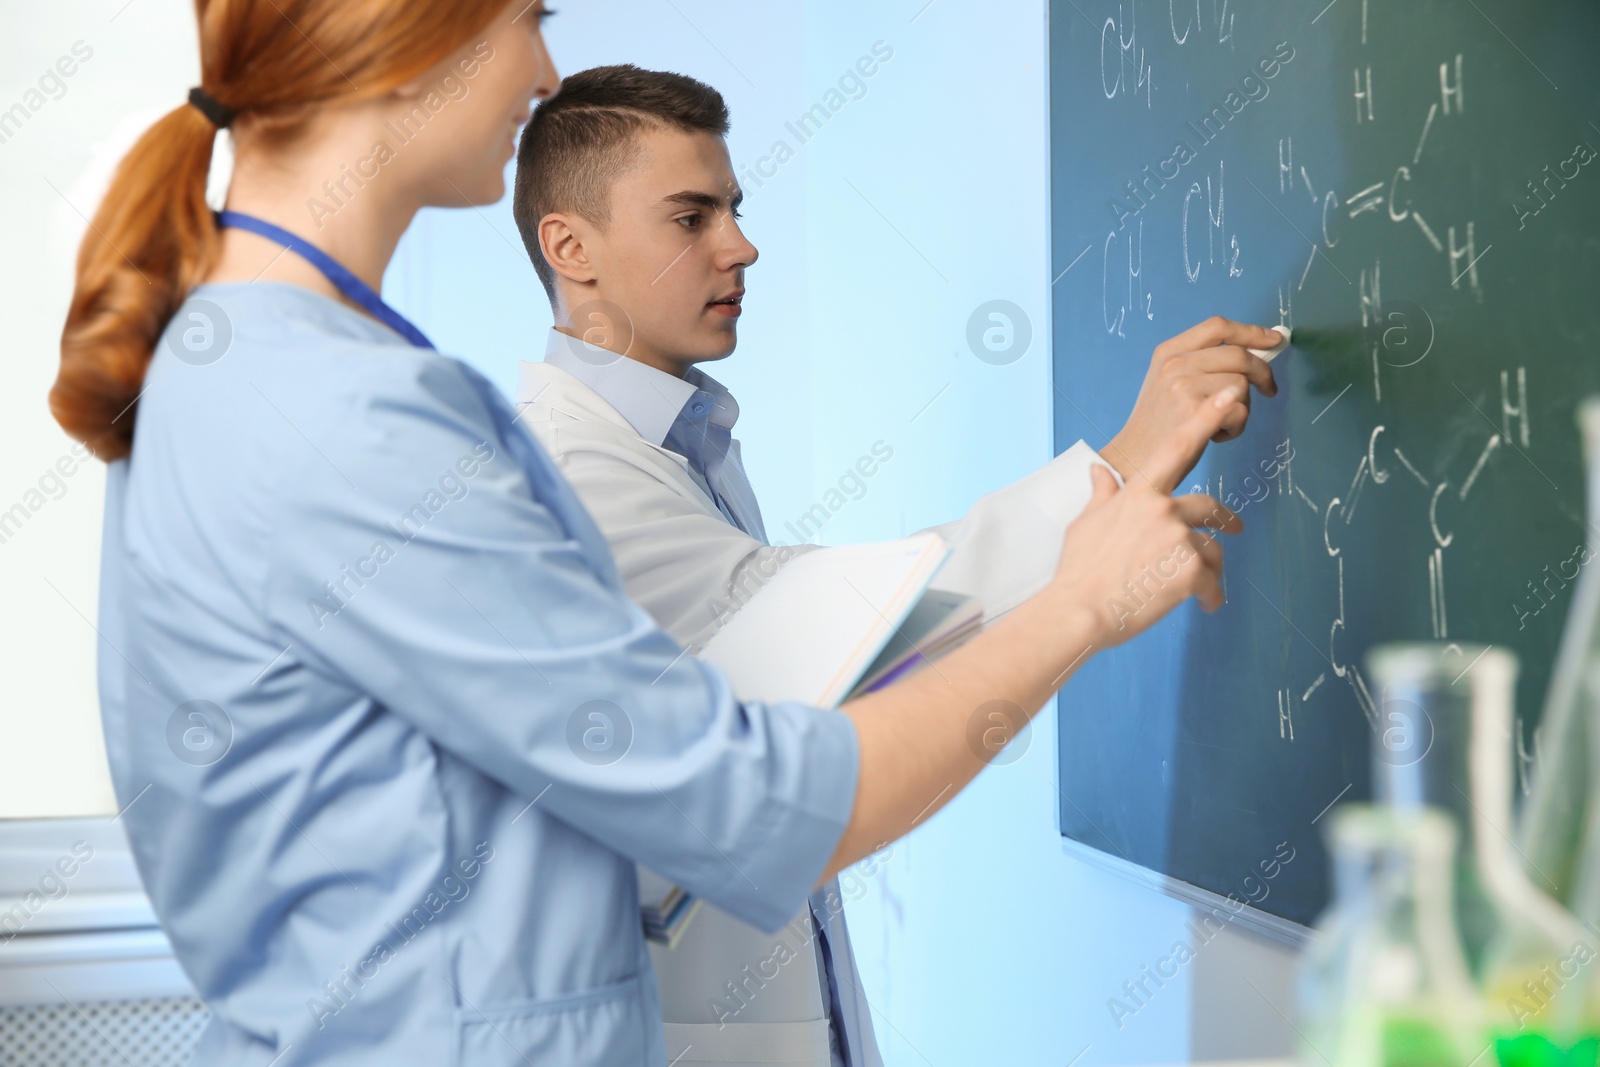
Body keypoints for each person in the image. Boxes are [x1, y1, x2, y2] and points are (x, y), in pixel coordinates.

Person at [52, 4, 1242, 1064]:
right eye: (525, 14)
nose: (540, 65)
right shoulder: (349, 417)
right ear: (404, 32)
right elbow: (754, 795)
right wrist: (1081, 601)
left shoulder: (243, 364)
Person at [510, 66, 1282, 1066]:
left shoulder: (675, 442)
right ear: (570, 248)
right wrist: (1121, 463)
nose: (740, 246)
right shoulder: (574, 476)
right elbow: (861, 635)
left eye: (733, 210)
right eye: (690, 217)